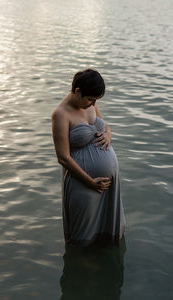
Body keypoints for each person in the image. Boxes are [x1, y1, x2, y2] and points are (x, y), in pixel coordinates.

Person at [51, 68, 125, 247]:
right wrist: (90, 182)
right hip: (83, 182)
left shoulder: (91, 104)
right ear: (78, 91)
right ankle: (81, 269)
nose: (93, 104)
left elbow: (105, 126)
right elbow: (63, 157)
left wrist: (108, 135)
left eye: (96, 100)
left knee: (108, 235)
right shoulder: (60, 114)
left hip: (107, 184)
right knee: (82, 237)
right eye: (91, 99)